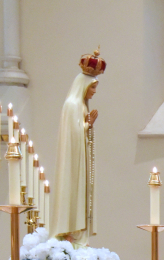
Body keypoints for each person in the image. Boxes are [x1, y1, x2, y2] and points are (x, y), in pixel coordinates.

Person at [49, 49, 105, 245]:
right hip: (74, 162)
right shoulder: (73, 105)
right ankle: (70, 232)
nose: (94, 91)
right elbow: (73, 134)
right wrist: (88, 124)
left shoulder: (80, 105)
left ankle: (79, 234)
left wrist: (87, 124)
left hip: (81, 159)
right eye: (93, 87)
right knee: (73, 192)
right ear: (83, 86)